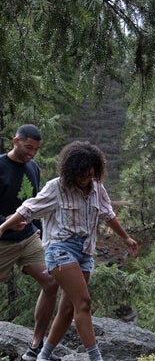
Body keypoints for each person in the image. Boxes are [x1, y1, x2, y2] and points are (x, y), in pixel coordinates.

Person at [0, 141, 139, 361]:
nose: (87, 178)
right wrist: (3, 227)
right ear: (72, 170)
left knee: (68, 309)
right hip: (60, 249)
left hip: (85, 252)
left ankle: (43, 356)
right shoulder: (57, 187)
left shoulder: (97, 189)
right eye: (83, 174)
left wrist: (126, 237)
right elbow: (29, 208)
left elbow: (108, 214)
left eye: (91, 174)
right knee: (83, 302)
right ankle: (96, 358)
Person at [0, 125, 60, 361]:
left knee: (52, 281)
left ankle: (36, 347)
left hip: (28, 240)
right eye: (28, 147)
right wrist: (7, 222)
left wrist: (43, 234)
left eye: (36, 149)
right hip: (2, 241)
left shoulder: (33, 167)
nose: (32, 153)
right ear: (16, 140)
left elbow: (36, 204)